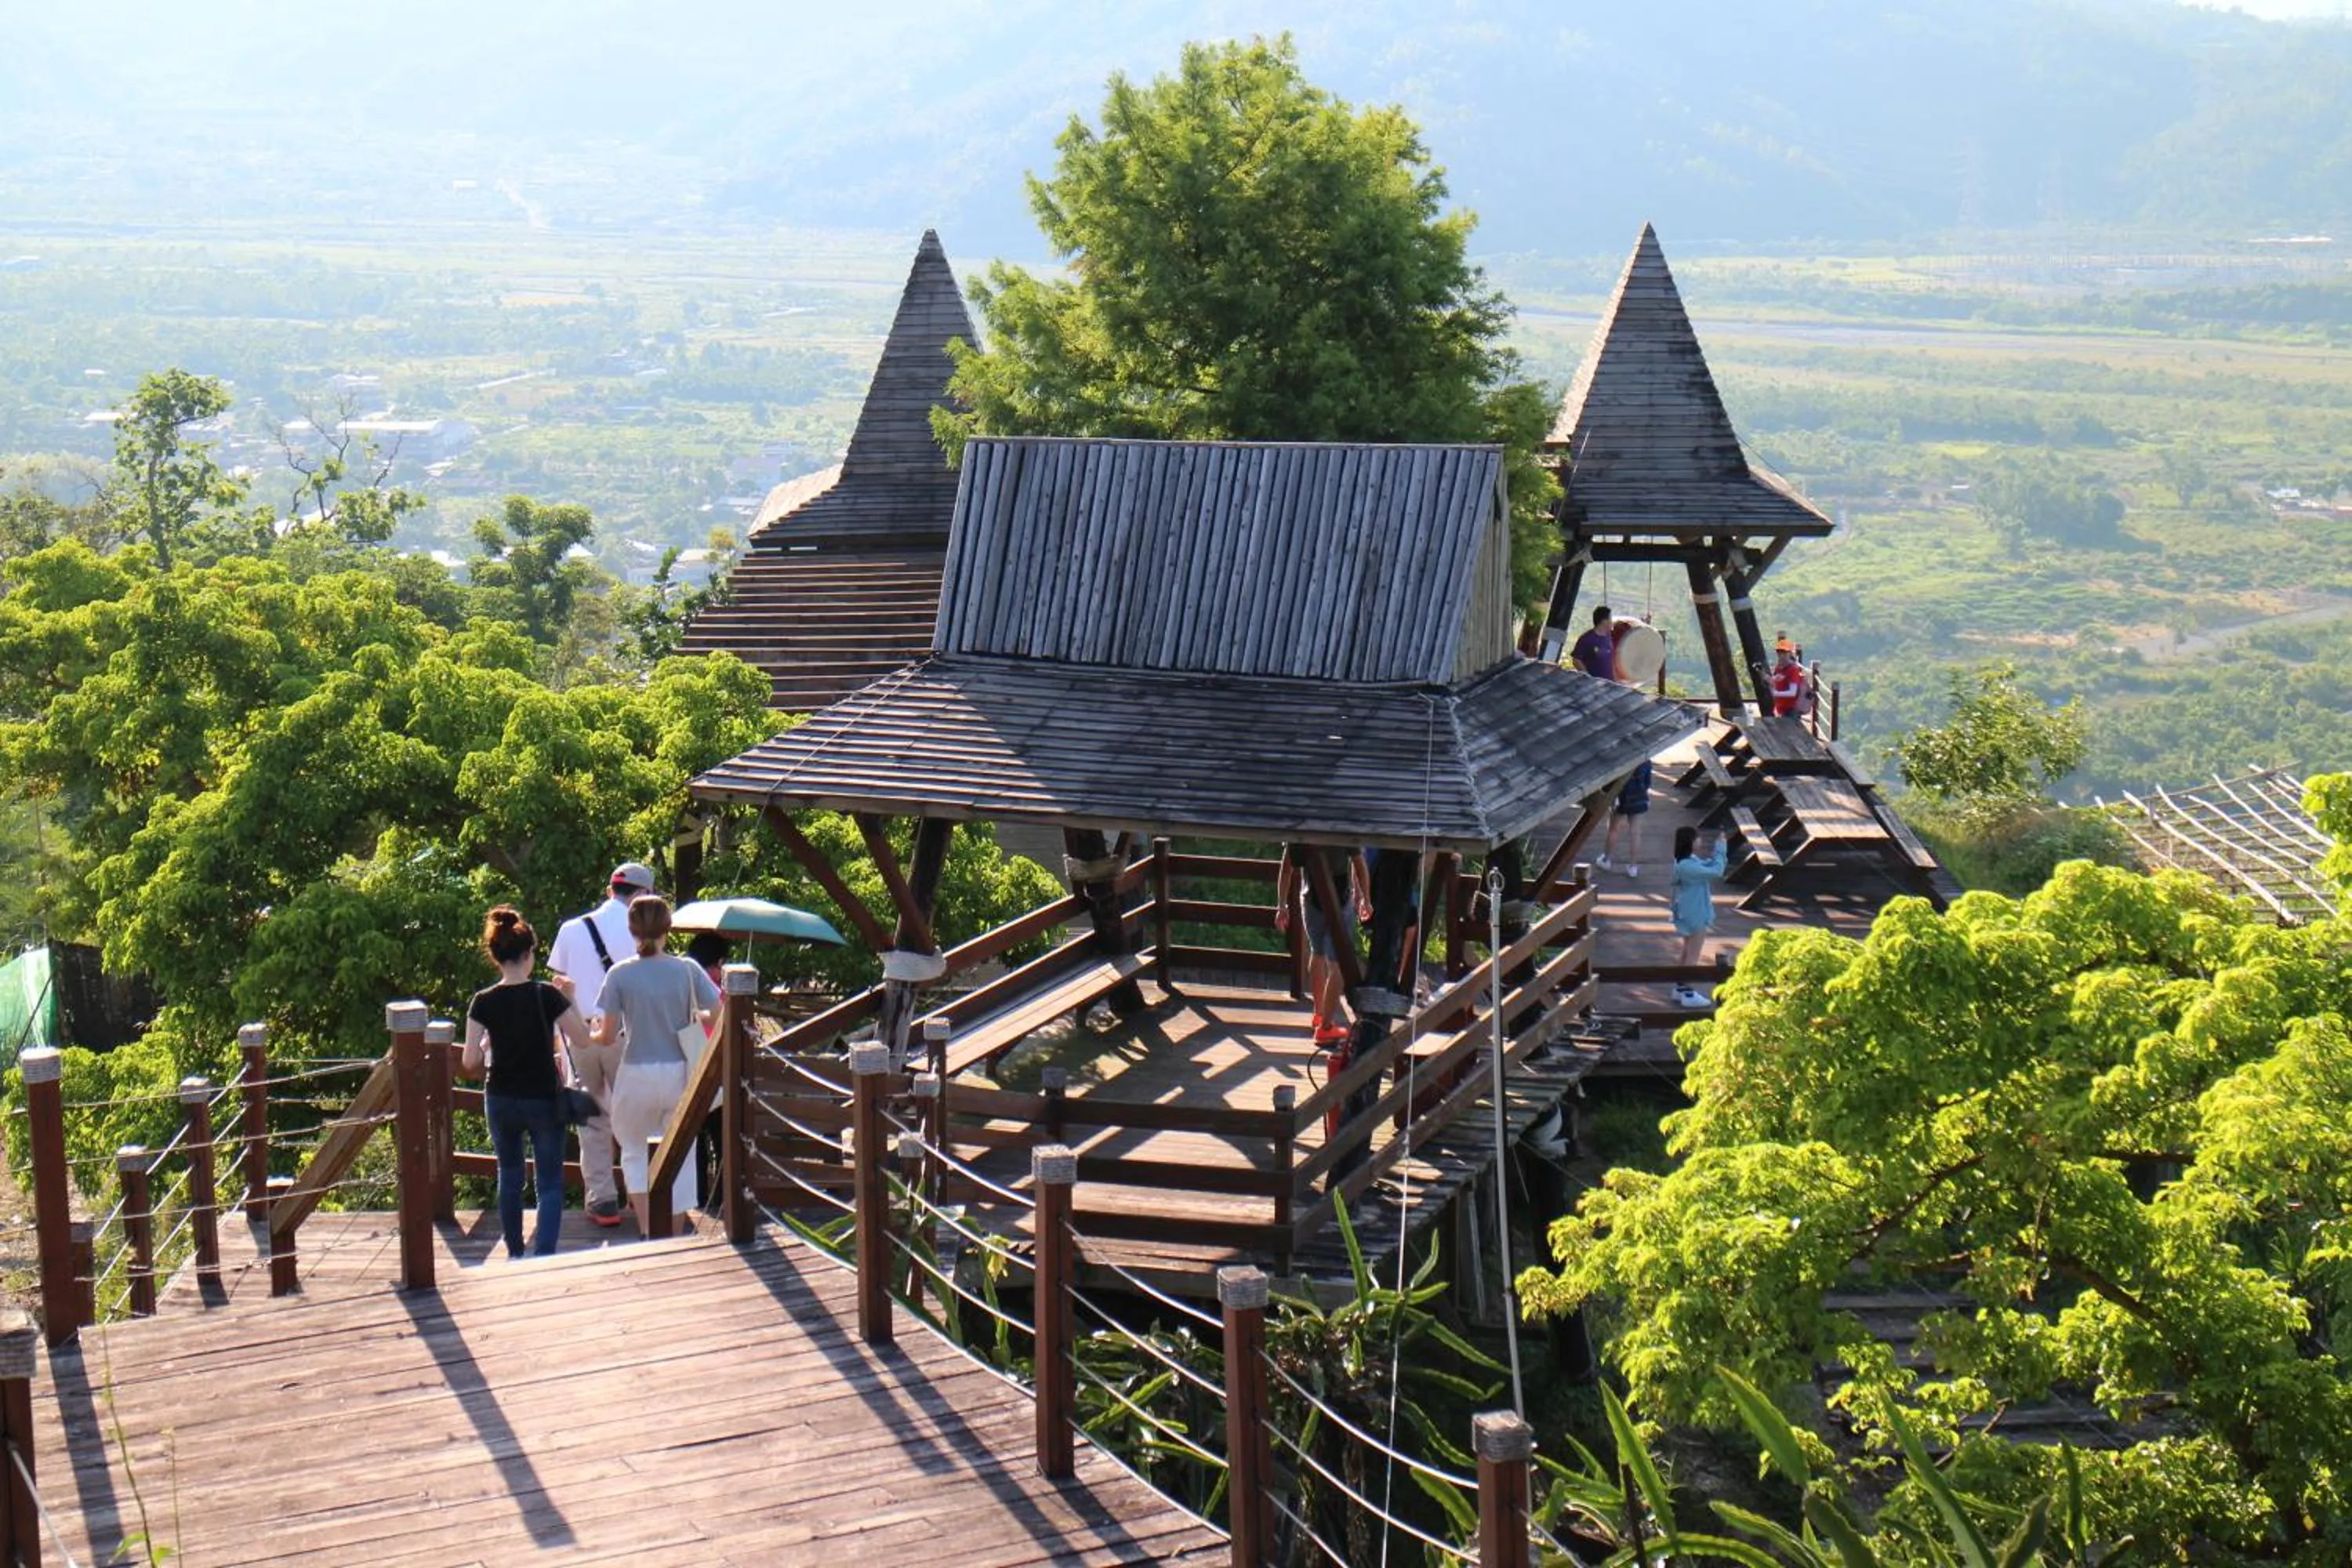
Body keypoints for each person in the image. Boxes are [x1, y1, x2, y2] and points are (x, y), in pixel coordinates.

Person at [460, 907, 591, 1259]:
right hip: (543, 1097)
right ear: (529, 953)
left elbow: (469, 1062)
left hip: (501, 1097)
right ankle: (544, 1255)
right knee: (549, 1182)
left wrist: (485, 1046)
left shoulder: (482, 1001)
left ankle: (515, 1252)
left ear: (496, 956)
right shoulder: (546, 994)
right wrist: (571, 997)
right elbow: (582, 1039)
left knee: (509, 1175)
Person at [593, 893, 721, 1235]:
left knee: (634, 1151)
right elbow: (719, 1014)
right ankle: (674, 1235)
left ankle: (649, 1231)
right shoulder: (688, 969)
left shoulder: (620, 974)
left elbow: (607, 1036)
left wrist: (592, 1033)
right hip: (679, 1073)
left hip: (636, 1073)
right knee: (680, 1155)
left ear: (632, 930)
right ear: (668, 928)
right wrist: (693, 1016)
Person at [548, 862, 658, 1228]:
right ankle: (640, 1194)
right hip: (625, 1032)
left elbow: (559, 986)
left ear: (611, 890)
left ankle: (602, 1200)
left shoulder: (570, 929)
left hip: (580, 1032)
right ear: (644, 894)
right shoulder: (643, 932)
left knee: (591, 1118)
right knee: (634, 1114)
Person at [1274, 844, 1370, 1047]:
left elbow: (1287, 867)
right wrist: (1366, 899)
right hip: (1339, 896)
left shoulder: (1303, 831)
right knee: (1338, 963)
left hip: (1310, 896)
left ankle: (1319, 1015)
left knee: (1317, 953)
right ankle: (1325, 1027)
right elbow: (1360, 864)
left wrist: (1282, 905)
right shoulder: (1345, 829)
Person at [1669, 826, 1728, 1008]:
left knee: (1687, 951)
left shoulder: (1687, 862)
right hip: (1695, 912)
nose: (1700, 841)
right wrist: (1721, 848)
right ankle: (1688, 993)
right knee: (1693, 954)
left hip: (1689, 910)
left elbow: (1709, 866)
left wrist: (1717, 853)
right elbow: (1717, 871)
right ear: (1690, 842)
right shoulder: (1688, 866)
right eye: (1697, 838)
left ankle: (1679, 987)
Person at [1595, 760, 1653, 879]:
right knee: (1635, 832)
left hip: (1622, 799)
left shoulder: (1620, 760)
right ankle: (1633, 866)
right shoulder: (1646, 761)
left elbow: (1608, 784)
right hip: (1640, 798)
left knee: (1614, 829)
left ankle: (1606, 860)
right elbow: (1647, 783)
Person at [1569, 605, 1615, 681]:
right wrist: (1588, 678)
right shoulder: (1587, 639)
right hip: (1594, 684)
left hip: (1610, 683)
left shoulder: (1609, 636)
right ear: (1603, 621)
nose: (1611, 622)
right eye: (1610, 619)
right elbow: (1576, 660)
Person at [1769, 638, 1808, 718]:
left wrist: (1775, 693)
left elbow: (1792, 692)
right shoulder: (1778, 668)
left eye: (1784, 652)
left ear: (1790, 653)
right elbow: (1775, 682)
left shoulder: (1793, 669)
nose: (1781, 655)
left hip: (1791, 710)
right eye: (1779, 652)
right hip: (1780, 709)